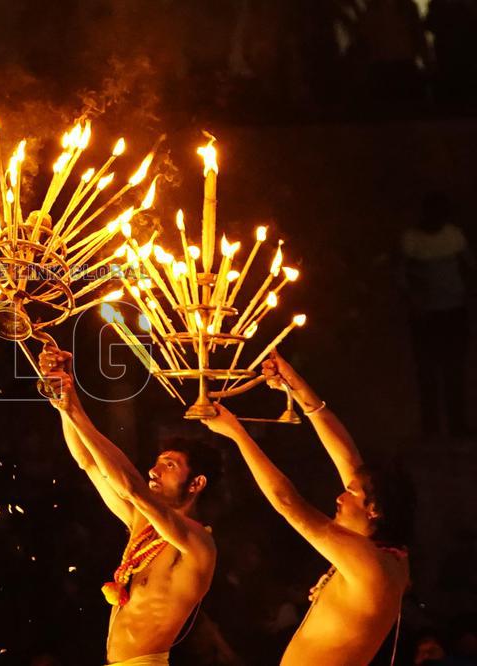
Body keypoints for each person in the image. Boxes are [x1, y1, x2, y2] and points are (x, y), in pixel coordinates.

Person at [201, 351, 413, 666]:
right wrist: (296, 386)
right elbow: (347, 455)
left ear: (375, 510)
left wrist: (237, 434)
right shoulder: (387, 554)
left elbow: (288, 504)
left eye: (350, 493)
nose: (340, 498)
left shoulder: (371, 564)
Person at [39, 345, 219, 666]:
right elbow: (88, 463)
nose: (154, 471)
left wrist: (75, 410)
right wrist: (65, 397)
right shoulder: (142, 523)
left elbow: (132, 488)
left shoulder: (198, 544)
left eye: (170, 465)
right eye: (158, 463)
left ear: (197, 484)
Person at [400, 192, 474, 437]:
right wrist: (412, 302)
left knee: (453, 369)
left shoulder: (453, 236)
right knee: (428, 371)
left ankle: (456, 425)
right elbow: (401, 275)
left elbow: (469, 266)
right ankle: (432, 426)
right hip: (425, 314)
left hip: (453, 311)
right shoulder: (412, 240)